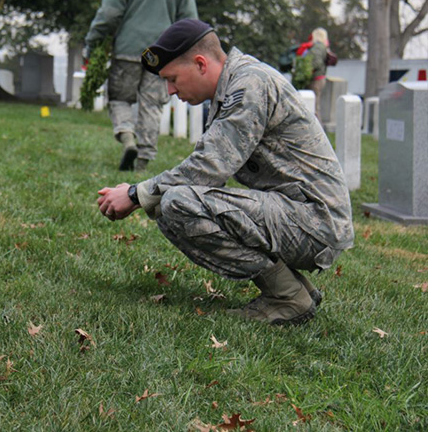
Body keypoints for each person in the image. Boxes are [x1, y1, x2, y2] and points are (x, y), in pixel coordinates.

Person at [97, 19, 354, 325]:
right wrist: (145, 192)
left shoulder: (249, 84)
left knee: (177, 203)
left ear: (201, 63)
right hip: (303, 215)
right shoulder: (236, 83)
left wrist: (134, 194)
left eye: (173, 78)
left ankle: (286, 298)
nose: (169, 90)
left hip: (316, 221)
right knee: (168, 202)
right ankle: (296, 290)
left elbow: (208, 168)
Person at [84, 0, 197, 172]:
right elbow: (189, 24)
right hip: (160, 56)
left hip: (127, 49)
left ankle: (127, 139)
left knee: (119, 99)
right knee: (151, 105)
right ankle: (142, 163)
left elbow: (109, 14)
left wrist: (92, 43)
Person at [304, 28, 330, 120]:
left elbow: (317, 62)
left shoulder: (317, 47)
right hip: (321, 78)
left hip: (316, 79)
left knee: (314, 106)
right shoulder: (323, 47)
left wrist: (309, 69)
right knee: (316, 105)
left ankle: (317, 130)